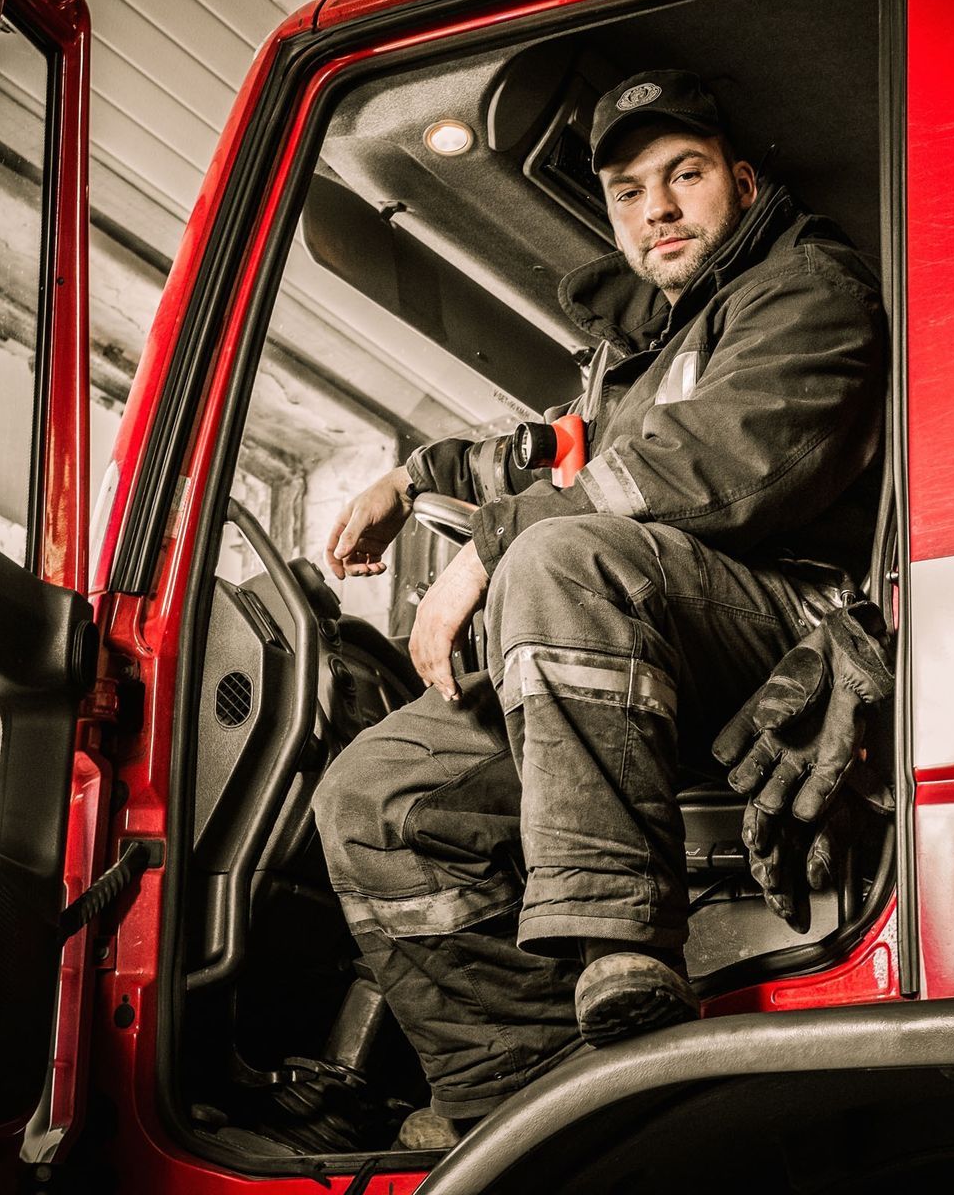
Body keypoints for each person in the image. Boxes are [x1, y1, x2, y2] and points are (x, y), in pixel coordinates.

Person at [312, 69, 887, 1145]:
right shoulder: (644, 355)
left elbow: (723, 458)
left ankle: (622, 940)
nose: (657, 207)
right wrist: (411, 475)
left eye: (685, 175)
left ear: (742, 180)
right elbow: (547, 452)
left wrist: (493, 548)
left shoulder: (807, 286)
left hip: (779, 621)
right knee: (375, 792)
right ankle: (525, 1093)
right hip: (642, 617)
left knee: (561, 556)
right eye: (629, 191)